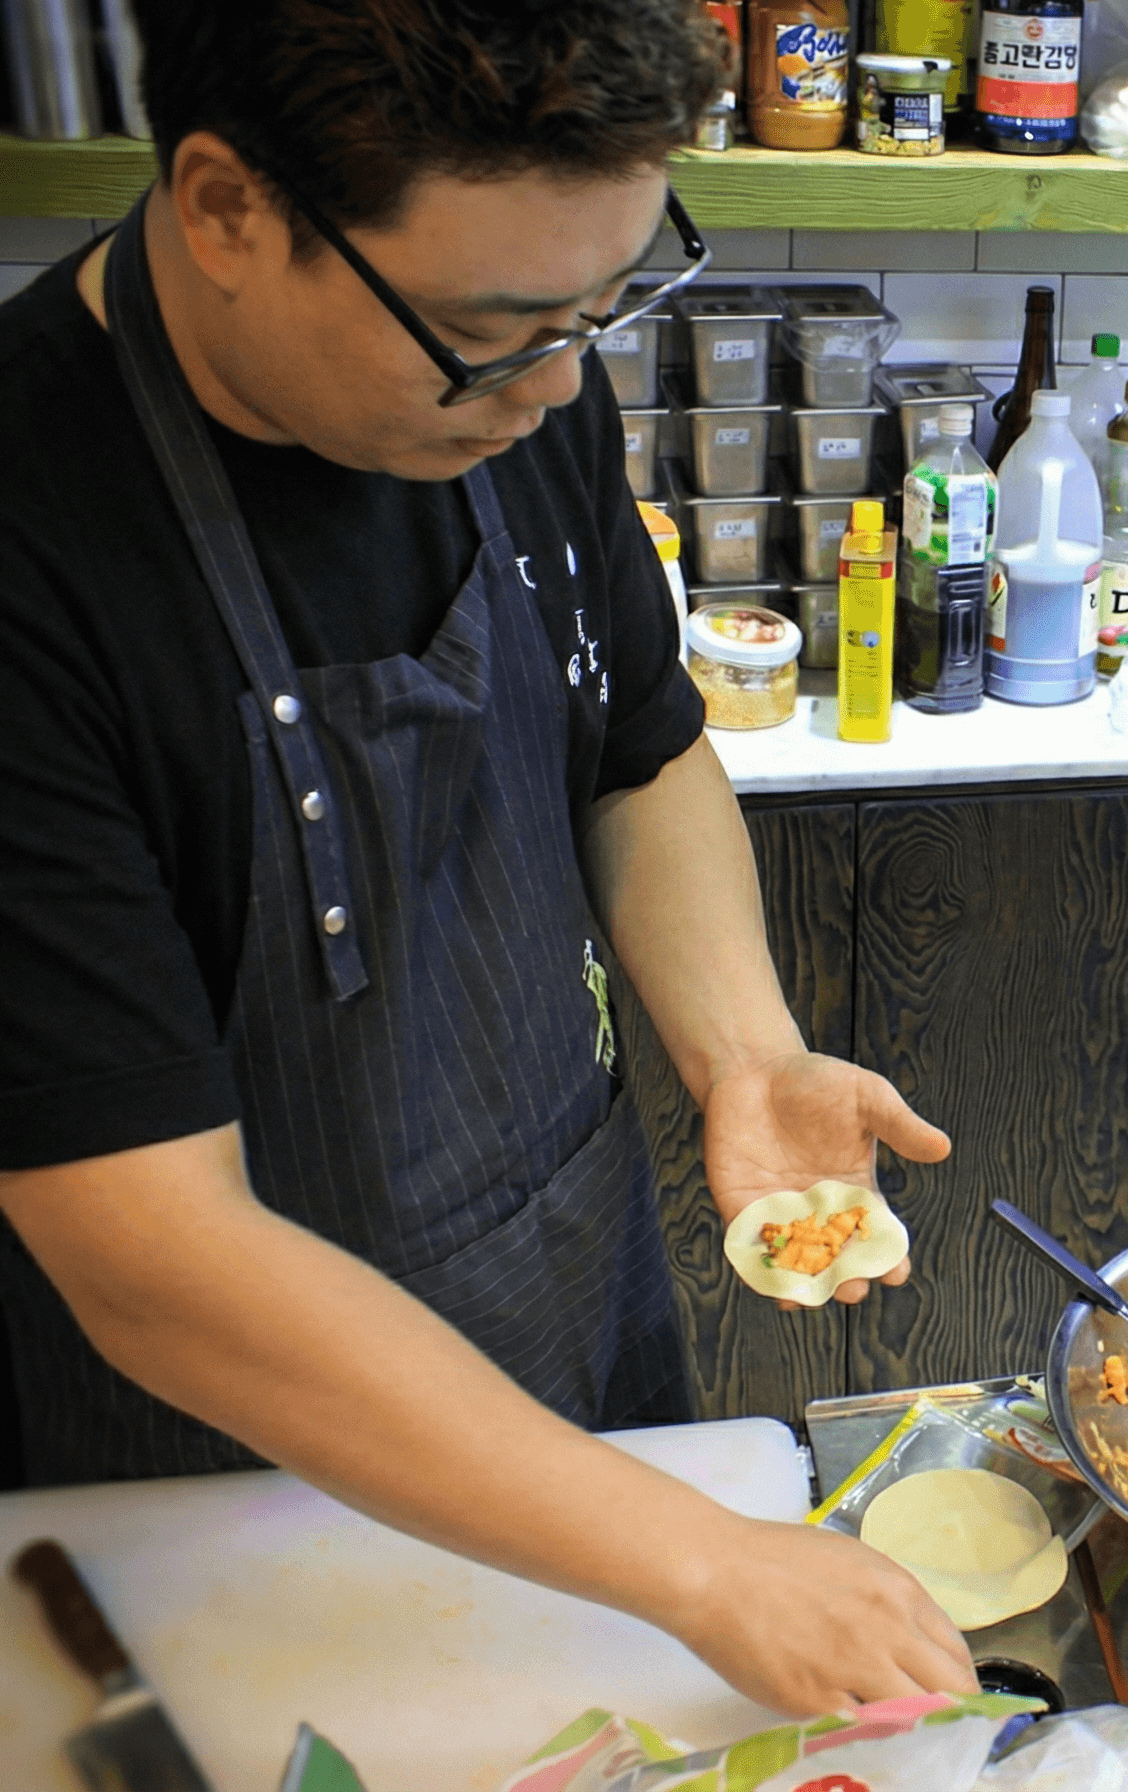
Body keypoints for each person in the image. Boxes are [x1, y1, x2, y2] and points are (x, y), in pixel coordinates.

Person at [0, 2, 975, 1714]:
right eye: (489, 334)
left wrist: (745, 1056)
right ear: (229, 208)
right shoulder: (31, 546)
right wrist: (698, 1560)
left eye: (601, 310)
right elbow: (150, 1254)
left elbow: (641, 749)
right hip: (223, 1475)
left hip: (562, 1312)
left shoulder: (526, 391)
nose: (551, 392)